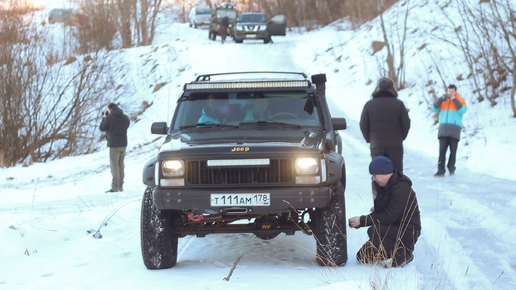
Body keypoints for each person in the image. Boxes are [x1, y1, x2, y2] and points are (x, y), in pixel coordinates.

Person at [348, 156, 421, 268]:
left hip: (408, 231)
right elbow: (379, 212)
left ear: (384, 173)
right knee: (362, 257)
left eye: (375, 175)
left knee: (374, 231)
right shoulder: (384, 186)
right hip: (391, 229)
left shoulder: (401, 189)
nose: (373, 179)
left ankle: (404, 253)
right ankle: (392, 250)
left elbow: (389, 216)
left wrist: (362, 220)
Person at [360, 77, 411, 173]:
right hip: (395, 145)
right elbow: (406, 123)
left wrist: (369, 139)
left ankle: (378, 189)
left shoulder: (369, 105)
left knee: (378, 173)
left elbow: (363, 125)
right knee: (396, 173)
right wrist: (401, 137)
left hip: (377, 145)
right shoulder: (399, 104)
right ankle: (397, 188)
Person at [432, 84, 467, 176]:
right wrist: (440, 99)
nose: (450, 93)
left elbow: (463, 110)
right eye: (449, 91)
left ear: (455, 92)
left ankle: (451, 168)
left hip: (454, 129)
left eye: (452, 92)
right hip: (443, 129)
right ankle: (440, 170)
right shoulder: (443, 101)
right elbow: (434, 108)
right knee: (442, 151)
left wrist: (454, 99)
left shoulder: (460, 100)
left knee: (453, 150)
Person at [99, 103, 130, 193]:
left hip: (114, 145)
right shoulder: (125, 117)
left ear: (110, 108)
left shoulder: (109, 118)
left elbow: (102, 128)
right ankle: (120, 185)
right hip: (123, 144)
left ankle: (115, 186)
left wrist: (105, 117)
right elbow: (126, 126)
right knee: (121, 165)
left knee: (114, 165)